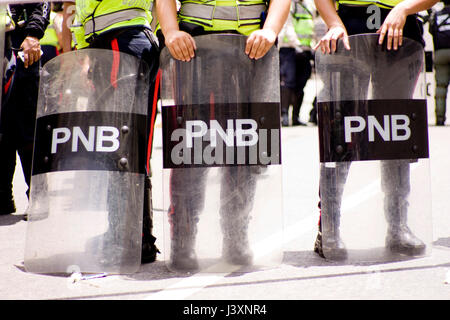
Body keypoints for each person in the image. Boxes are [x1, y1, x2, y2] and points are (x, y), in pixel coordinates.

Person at [156, 0, 290, 270]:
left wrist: (271, 30)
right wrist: (170, 30)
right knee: (192, 146)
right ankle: (183, 238)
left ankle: (236, 236)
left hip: (253, 46)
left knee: (245, 147)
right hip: (194, 46)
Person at [313, 0, 438, 260]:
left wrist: (404, 8)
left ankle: (397, 227)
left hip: (402, 34)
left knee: (396, 135)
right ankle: (329, 229)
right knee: (341, 134)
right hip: (349, 32)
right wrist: (334, 22)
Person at [63, 0, 160, 264]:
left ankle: (132, 238)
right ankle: (126, 233)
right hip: (110, 43)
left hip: (123, 39)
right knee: (115, 144)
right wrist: (84, 50)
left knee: (124, 146)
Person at [0, 2, 50, 216]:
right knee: (3, 131)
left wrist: (33, 34)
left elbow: (42, 3)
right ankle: (3, 197)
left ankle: (38, 198)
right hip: (3, 51)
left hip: (21, 52)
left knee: (29, 129)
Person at [279, 0, 315, 127]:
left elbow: (312, 27)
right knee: (289, 83)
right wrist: (297, 44)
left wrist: (312, 47)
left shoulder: (310, 5)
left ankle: (295, 116)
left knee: (301, 84)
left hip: (305, 50)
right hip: (290, 48)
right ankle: (284, 115)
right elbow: (286, 25)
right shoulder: (289, 4)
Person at [429, 0, 450, 125]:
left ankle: (440, 118)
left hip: (440, 53)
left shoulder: (437, 14)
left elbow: (432, 31)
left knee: (441, 87)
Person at [39, 2, 64, 66]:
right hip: (51, 49)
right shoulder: (55, 16)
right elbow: (60, 35)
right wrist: (62, 48)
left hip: (37, 47)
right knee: (52, 72)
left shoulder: (38, 16)